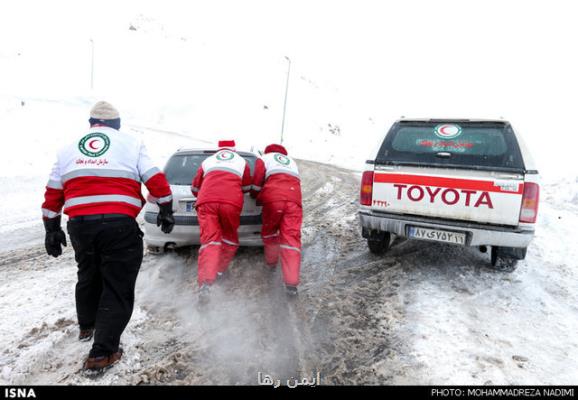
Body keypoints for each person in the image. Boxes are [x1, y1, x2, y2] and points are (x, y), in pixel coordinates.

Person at [41, 101, 175, 374]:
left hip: (80, 225)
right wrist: (165, 206)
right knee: (117, 285)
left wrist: (51, 228)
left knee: (88, 274)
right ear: (117, 124)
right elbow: (154, 178)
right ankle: (103, 353)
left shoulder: (68, 148)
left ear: (92, 124)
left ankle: (87, 326)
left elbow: (53, 192)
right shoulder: (131, 143)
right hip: (118, 224)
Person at [191, 140, 252, 298]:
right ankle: (219, 271)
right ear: (234, 149)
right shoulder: (241, 161)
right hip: (231, 203)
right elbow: (246, 187)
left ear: (218, 150)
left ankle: (205, 283)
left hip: (206, 202)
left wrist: (206, 196)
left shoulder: (208, 160)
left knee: (210, 241)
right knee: (230, 238)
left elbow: (195, 187)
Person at [251, 144, 302, 296]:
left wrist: (256, 197)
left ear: (268, 151)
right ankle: (291, 284)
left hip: (273, 199)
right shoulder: (292, 162)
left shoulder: (264, 158)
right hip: (294, 201)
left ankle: (272, 263)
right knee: (291, 240)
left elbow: (256, 183)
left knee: (270, 232)